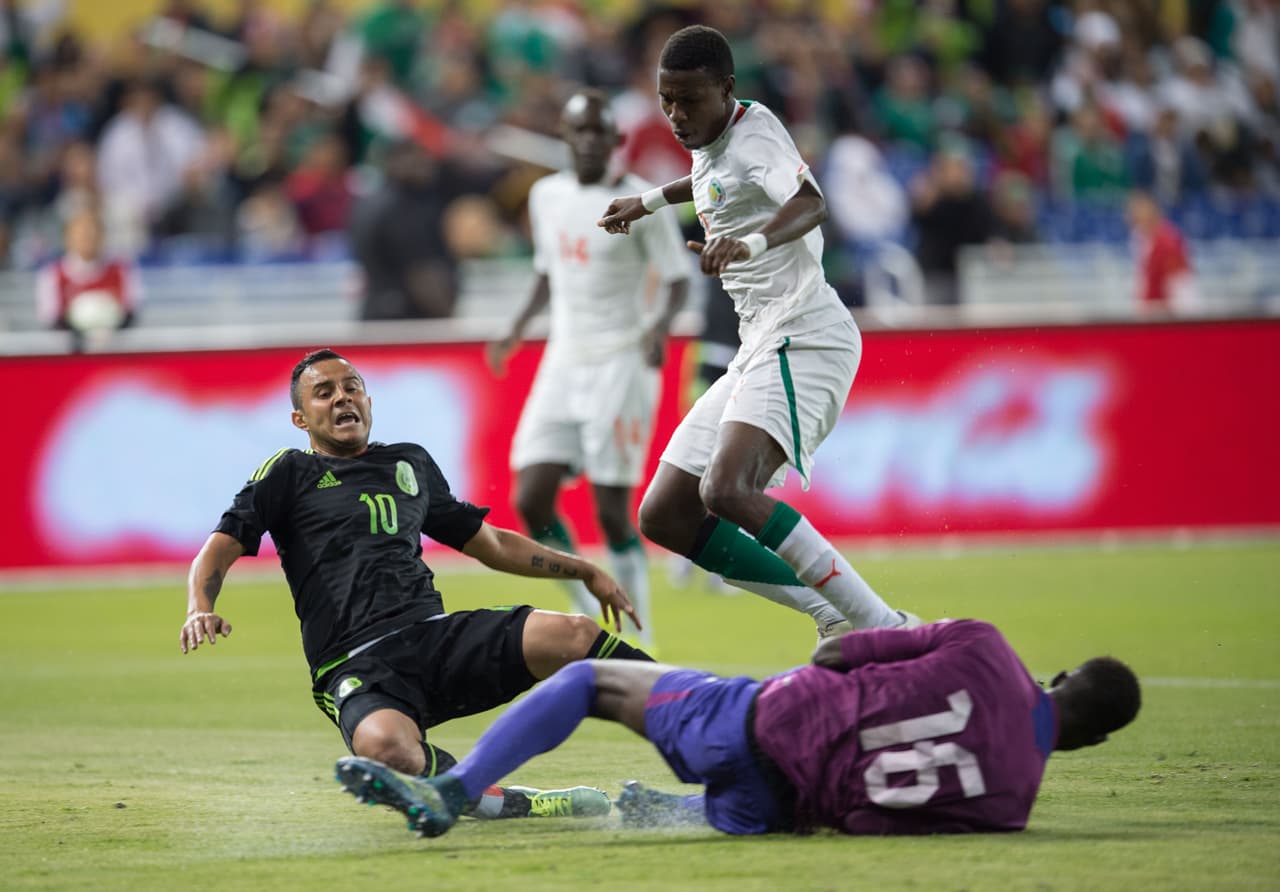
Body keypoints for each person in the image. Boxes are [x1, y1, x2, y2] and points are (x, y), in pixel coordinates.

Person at [181, 349, 655, 821]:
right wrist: (200, 606)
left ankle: (693, 703)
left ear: (368, 400)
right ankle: (509, 802)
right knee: (385, 748)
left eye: (351, 387)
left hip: (434, 637)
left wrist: (584, 570)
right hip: (356, 664)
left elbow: (490, 543)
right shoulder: (289, 472)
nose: (342, 398)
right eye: (324, 393)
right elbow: (220, 548)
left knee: (573, 633)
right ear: (300, 418)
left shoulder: (409, 464)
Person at [595, 25, 916, 638]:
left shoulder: (758, 133)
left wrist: (750, 241)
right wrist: (650, 201)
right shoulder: (717, 136)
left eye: (689, 99)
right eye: (667, 100)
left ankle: (883, 625)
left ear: (727, 88)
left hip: (805, 331)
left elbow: (811, 201)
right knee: (664, 514)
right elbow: (717, 179)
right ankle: (833, 611)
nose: (676, 115)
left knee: (726, 489)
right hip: (758, 341)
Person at [334, 618, 1141, 837]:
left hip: (761, 722)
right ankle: (664, 810)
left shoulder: (986, 647)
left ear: (1061, 677)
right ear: (1093, 742)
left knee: (586, 678)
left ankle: (451, 790)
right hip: (785, 814)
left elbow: (834, 652)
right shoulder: (1010, 809)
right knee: (756, 806)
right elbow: (886, 825)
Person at [487, 90, 689, 648]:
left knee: (611, 511)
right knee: (530, 496)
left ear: (616, 140)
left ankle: (641, 637)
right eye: (581, 131)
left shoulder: (640, 203)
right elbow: (548, 274)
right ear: (566, 137)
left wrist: (657, 327)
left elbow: (677, 279)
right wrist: (514, 328)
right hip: (563, 359)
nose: (592, 141)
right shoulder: (545, 196)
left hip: (621, 361)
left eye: (602, 132)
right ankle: (586, 607)